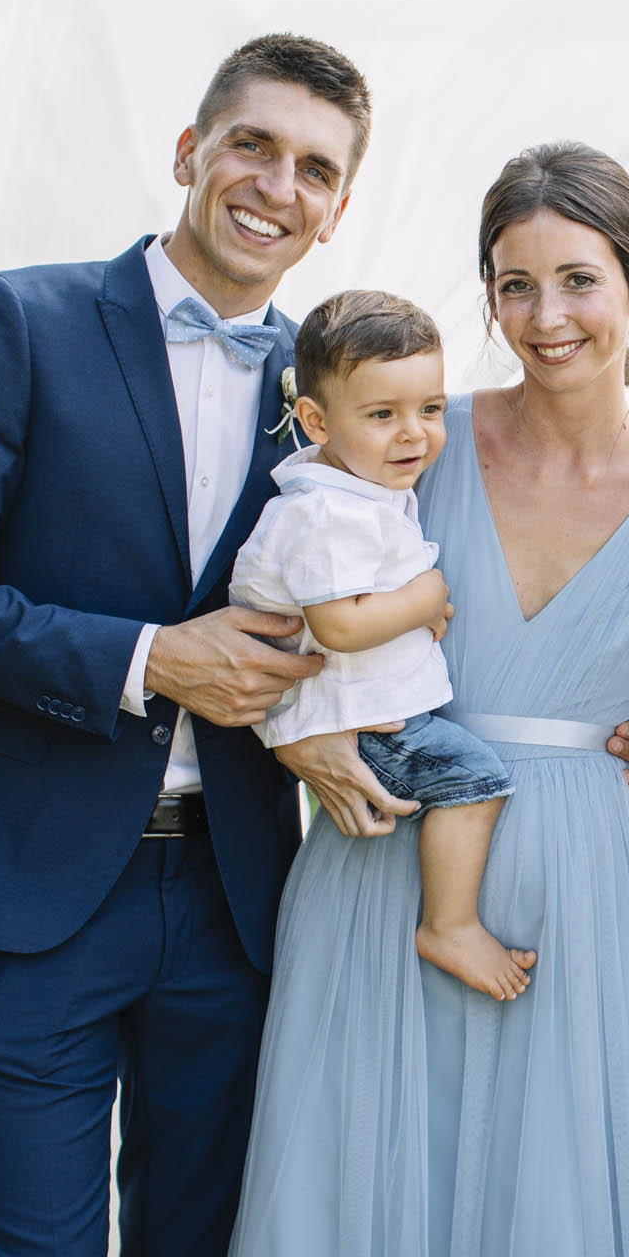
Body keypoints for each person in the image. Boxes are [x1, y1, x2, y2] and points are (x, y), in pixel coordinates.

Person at [0, 36, 384, 1257]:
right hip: (34, 887)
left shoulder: (335, 386)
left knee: (197, 1255)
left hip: (239, 898)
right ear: (189, 151)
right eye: (251, 144)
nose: (275, 184)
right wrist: (152, 658)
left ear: (338, 209)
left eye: (314, 167)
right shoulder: (21, 319)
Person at [224, 142, 629, 1257]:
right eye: (514, 284)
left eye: (577, 279)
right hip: (384, 860)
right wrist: (295, 727)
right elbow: (275, 598)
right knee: (361, 1192)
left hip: (582, 892)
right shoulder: (410, 431)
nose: (544, 315)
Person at [230, 290, 533, 1001]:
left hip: (365, 707)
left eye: (430, 409)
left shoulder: (365, 489)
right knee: (474, 778)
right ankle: (449, 923)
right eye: (382, 415)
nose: (414, 435)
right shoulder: (324, 512)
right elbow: (339, 624)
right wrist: (424, 598)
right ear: (315, 420)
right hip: (356, 723)